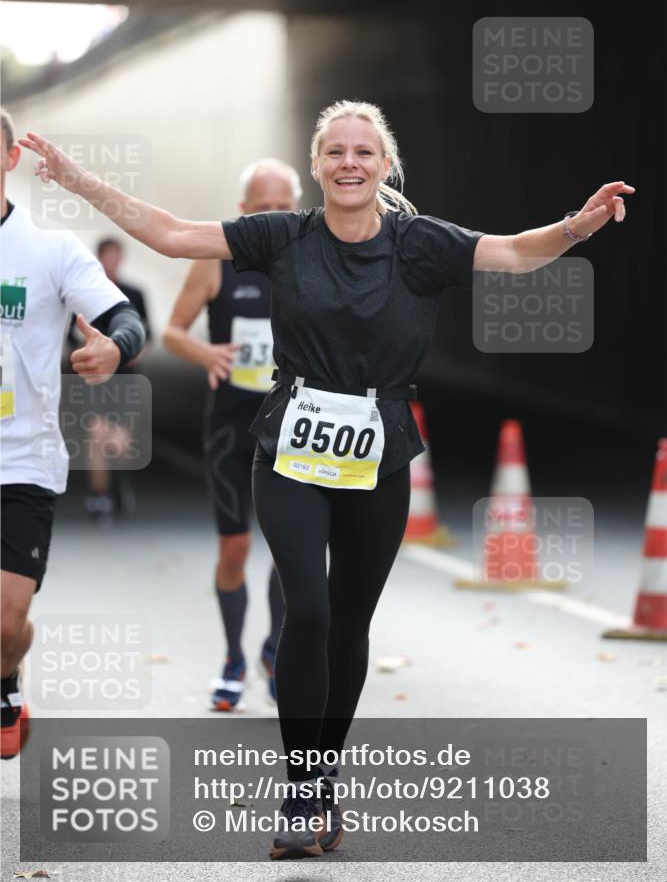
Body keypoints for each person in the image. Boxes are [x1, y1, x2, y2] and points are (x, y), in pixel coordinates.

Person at [19, 100, 634, 856]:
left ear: (383, 165)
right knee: (305, 605)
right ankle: (302, 787)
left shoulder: (420, 245)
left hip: (380, 453)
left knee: (349, 622)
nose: (348, 162)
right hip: (289, 448)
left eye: (363, 152)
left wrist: (578, 224)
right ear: (315, 165)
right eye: (334, 151)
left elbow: (510, 253)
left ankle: (323, 777)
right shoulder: (283, 235)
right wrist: (81, 182)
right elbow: (174, 235)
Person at [1, 108, 146, 759]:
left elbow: (125, 317)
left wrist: (115, 349)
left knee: (5, 623)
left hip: (23, 460)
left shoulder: (49, 249)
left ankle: (8, 667)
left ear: (9, 161)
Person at [162, 159, 300, 710]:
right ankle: (233, 659)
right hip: (230, 426)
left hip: (293, 427)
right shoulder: (217, 261)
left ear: (298, 208)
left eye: (282, 208)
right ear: (243, 212)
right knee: (235, 547)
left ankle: (272, 649)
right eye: (260, 208)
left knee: (292, 552)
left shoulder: (313, 261)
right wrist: (204, 350)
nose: (271, 217)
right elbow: (171, 331)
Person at [67, 237, 153, 526]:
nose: (111, 262)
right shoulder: (83, 295)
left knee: (120, 443)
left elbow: (147, 337)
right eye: (107, 256)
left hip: (126, 379)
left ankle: (118, 481)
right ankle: (99, 495)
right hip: (94, 379)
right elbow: (70, 336)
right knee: (95, 435)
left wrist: (126, 353)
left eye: (116, 257)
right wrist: (86, 354)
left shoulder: (134, 294)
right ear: (99, 258)